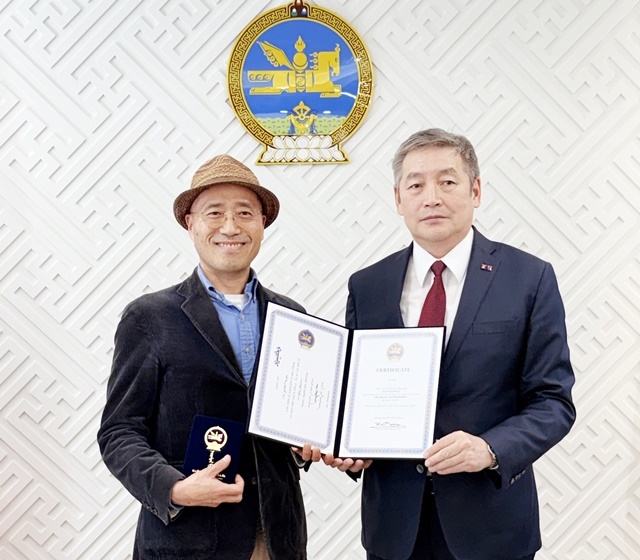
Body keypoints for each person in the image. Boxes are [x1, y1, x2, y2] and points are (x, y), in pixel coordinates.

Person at [325, 129, 576, 560]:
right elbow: (355, 397)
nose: (432, 198)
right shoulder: (368, 285)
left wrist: (490, 449)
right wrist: (348, 447)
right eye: (416, 185)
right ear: (398, 199)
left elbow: (553, 402)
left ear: (475, 191)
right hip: (394, 530)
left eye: (447, 181)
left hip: (492, 527)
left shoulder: (528, 278)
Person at [98, 154, 317, 560]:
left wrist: (308, 441)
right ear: (191, 224)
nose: (230, 227)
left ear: (262, 224)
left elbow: (297, 419)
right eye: (214, 213)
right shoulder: (150, 318)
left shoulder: (293, 318)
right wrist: (174, 488)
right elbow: (119, 431)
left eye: (245, 213)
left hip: (276, 537)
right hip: (188, 538)